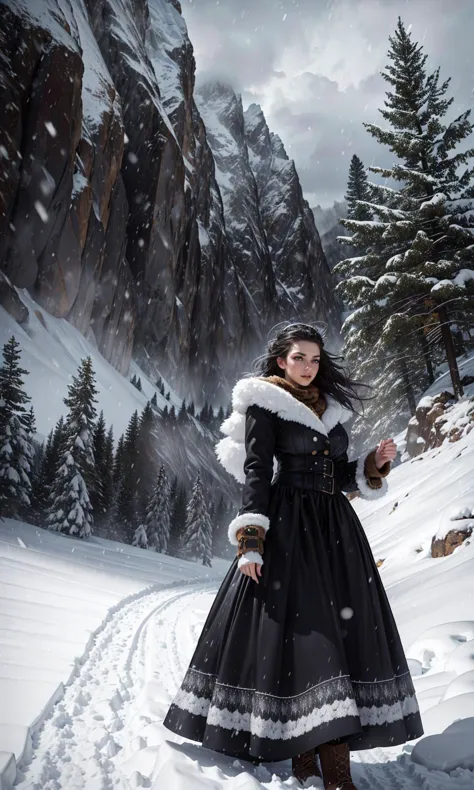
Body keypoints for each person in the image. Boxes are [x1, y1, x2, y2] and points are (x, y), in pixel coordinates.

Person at [163, 323, 423, 789]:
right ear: (281, 361)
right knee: (312, 644)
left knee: (343, 641)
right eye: (299, 358)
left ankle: (319, 764)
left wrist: (371, 466)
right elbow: (258, 473)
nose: (308, 367)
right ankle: (319, 767)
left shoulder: (331, 409)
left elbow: (337, 475)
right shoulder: (266, 404)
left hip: (336, 534)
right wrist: (250, 541)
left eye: (315, 359)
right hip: (289, 532)